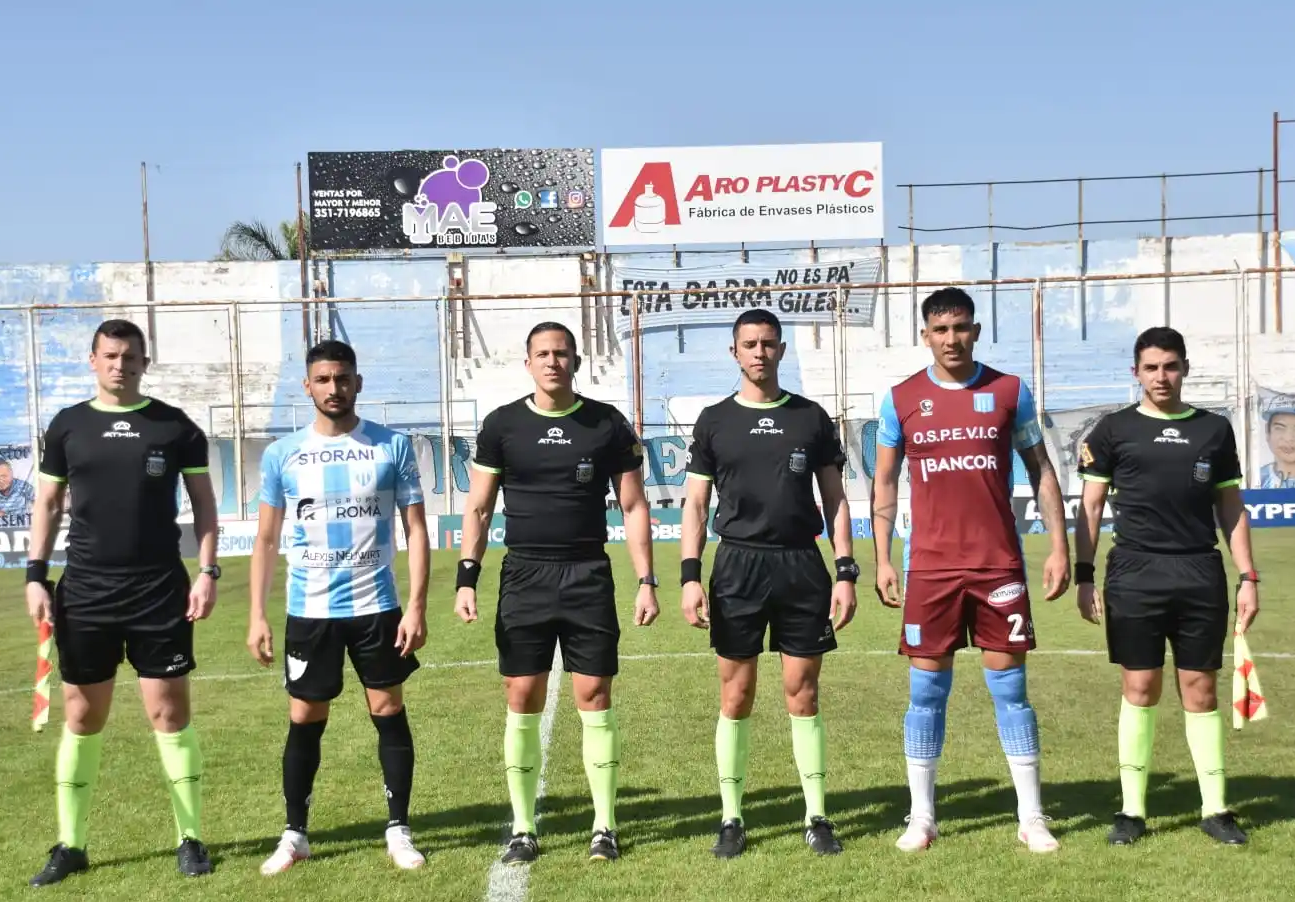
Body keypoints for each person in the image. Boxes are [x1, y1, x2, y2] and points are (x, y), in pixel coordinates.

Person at [870, 286, 1070, 855]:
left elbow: (1042, 469)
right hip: (930, 569)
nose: (951, 339)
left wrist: (1059, 547)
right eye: (940, 329)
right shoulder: (901, 399)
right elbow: (884, 482)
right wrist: (882, 558)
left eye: (960, 328)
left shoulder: (1009, 391)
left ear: (975, 331)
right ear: (925, 335)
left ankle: (1031, 817)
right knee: (926, 692)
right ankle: (922, 818)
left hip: (996, 565)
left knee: (1011, 689)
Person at [24, 319, 220, 887]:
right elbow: (48, 504)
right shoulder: (68, 426)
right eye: (110, 356)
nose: (120, 365)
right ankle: (70, 845)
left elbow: (204, 505)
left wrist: (207, 572)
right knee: (82, 716)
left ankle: (190, 838)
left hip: (159, 591)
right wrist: (35, 576)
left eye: (130, 357)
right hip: (86, 593)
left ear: (144, 362)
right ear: (93, 360)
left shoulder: (175, 426)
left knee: (169, 714)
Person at [455, 322, 658, 866]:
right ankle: (523, 828)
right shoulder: (503, 426)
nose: (552, 362)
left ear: (576, 362)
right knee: (522, 694)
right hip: (525, 576)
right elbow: (479, 507)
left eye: (562, 353)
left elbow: (634, 506)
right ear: (528, 363)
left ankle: (604, 826)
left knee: (594, 694)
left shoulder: (606, 424)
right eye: (542, 354)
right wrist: (467, 577)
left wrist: (646, 581)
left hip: (587, 574)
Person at [247, 339, 433, 874]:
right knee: (305, 716)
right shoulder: (283, 454)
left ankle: (398, 829)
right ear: (307, 386)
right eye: (323, 380)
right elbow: (266, 539)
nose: (334, 388)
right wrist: (257, 615)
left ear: (358, 382)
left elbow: (416, 529)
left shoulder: (392, 446)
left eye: (342, 378)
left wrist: (416, 606)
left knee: (388, 709)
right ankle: (295, 834)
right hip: (310, 609)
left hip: (377, 605)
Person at [680, 307, 858, 860]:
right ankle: (731, 817)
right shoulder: (714, 420)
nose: (760, 352)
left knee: (803, 693)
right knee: (736, 695)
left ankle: (817, 815)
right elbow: (695, 504)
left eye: (768, 343)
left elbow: (835, 499)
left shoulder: (810, 418)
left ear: (781, 349)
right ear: (734, 351)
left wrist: (845, 570)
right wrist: (690, 577)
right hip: (737, 566)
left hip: (801, 565)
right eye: (750, 344)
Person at [1074, 326, 1258, 847]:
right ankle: (1131, 811)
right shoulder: (1112, 430)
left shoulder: (1214, 430)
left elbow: (1231, 508)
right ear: (1136, 372)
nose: (1161, 376)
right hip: (1134, 574)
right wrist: (1085, 576)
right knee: (1140, 687)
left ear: (1185, 369)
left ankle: (1216, 809)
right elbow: (1090, 507)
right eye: (1151, 367)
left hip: (1200, 572)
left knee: (1201, 689)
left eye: (1171, 366)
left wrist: (1248, 577)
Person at [0, 458, 35, 523]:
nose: (1, 480)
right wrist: (1, 515)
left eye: (4, 476)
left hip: (22, 522)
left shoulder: (23, 486)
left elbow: (38, 499)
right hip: (1, 524)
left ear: (11, 474)